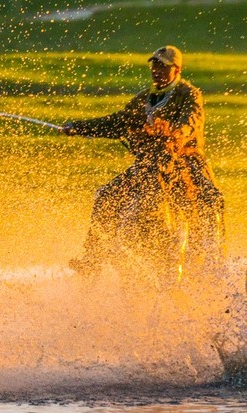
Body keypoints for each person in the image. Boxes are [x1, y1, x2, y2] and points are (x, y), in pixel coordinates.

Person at [61, 46, 224, 275]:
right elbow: (118, 123)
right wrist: (78, 127)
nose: (157, 70)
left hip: (185, 161)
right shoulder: (144, 98)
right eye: (154, 65)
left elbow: (189, 124)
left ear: (177, 69)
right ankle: (93, 257)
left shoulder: (189, 94)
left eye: (163, 66)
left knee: (212, 200)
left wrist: (173, 137)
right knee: (105, 195)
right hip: (151, 162)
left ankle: (212, 264)